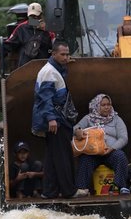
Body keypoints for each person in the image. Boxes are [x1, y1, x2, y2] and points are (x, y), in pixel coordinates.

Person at [31, 41, 88, 199]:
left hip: (58, 119)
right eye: (62, 54)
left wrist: (64, 64)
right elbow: (45, 98)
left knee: (52, 158)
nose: (66, 57)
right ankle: (70, 191)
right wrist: (51, 119)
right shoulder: (49, 72)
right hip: (56, 120)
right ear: (53, 54)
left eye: (67, 54)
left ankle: (49, 192)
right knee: (63, 156)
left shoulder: (54, 69)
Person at [73, 94, 131, 195]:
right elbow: (75, 128)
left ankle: (120, 186)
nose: (107, 107)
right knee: (84, 159)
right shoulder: (88, 118)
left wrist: (112, 148)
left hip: (110, 152)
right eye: (103, 105)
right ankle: (82, 189)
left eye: (109, 104)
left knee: (120, 156)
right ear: (96, 106)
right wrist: (78, 131)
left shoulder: (116, 119)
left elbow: (123, 138)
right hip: (93, 153)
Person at [0, 2, 55, 70]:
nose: (34, 18)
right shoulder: (22, 28)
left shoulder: (48, 29)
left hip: (44, 68)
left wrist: (44, 28)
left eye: (36, 16)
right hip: (25, 69)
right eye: (32, 16)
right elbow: (9, 44)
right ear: (28, 16)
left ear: (41, 15)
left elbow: (56, 46)